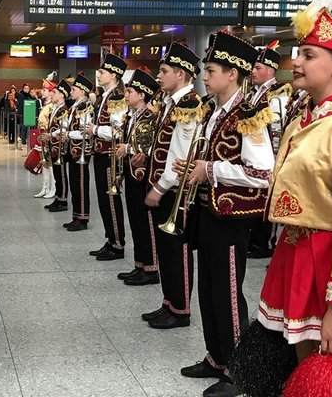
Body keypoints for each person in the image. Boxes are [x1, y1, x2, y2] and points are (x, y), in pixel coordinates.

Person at [258, 0, 332, 367]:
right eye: (298, 53)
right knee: (304, 375)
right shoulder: (303, 119)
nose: (296, 62)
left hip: (330, 263)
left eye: (309, 55)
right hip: (295, 254)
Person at [178, 30, 274, 397]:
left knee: (230, 293)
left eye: (212, 69)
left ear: (233, 73)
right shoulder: (214, 111)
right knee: (208, 288)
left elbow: (263, 173)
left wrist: (211, 170)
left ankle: (239, 370)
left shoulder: (248, 114)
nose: (205, 76)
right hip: (208, 212)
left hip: (231, 217)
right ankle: (216, 357)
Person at [143, 42, 202, 329]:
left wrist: (160, 187)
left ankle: (180, 309)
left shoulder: (188, 105)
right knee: (166, 251)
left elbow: (179, 156)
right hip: (164, 188)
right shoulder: (170, 103)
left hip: (173, 192)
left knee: (176, 250)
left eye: (164, 71)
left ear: (181, 74)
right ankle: (169, 302)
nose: (159, 75)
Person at [114, 69, 161, 286]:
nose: (126, 95)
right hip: (131, 173)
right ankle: (139, 264)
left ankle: (151, 268)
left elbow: (150, 145)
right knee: (134, 220)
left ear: (142, 95)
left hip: (142, 176)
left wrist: (128, 147)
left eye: (130, 91)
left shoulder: (150, 117)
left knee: (145, 222)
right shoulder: (130, 116)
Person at [246, 42, 291, 259]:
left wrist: (275, 159)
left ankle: (264, 243)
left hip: (270, 155)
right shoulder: (254, 93)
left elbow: (277, 128)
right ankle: (254, 240)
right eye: (253, 68)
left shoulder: (277, 93)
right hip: (255, 151)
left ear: (271, 70)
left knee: (267, 199)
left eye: (258, 68)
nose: (253, 72)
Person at [87, 54, 129, 261]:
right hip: (100, 154)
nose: (99, 75)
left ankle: (118, 243)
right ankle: (110, 238)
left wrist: (94, 129)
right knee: (103, 200)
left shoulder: (117, 98)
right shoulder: (104, 96)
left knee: (110, 200)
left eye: (102, 72)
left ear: (113, 75)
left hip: (110, 157)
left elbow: (117, 131)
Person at [63, 73, 94, 231]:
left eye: (74, 89)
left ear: (82, 91)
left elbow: (84, 131)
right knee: (75, 184)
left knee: (81, 184)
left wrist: (68, 134)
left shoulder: (85, 107)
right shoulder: (75, 106)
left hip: (80, 150)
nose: (71, 92)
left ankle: (82, 218)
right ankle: (76, 215)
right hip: (73, 150)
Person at [43, 79, 70, 211]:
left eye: (54, 92)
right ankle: (58, 197)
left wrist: (51, 135)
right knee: (56, 172)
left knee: (61, 174)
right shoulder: (55, 109)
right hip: (53, 146)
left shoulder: (64, 110)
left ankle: (63, 200)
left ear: (62, 95)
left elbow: (64, 128)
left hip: (60, 147)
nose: (51, 94)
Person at [34, 72, 57, 198]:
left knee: (50, 164)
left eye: (45, 90)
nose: (42, 92)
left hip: (49, 136)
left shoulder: (52, 106)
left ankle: (53, 187)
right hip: (42, 135)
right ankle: (45, 187)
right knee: (45, 163)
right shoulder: (45, 105)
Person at [17, 83, 33, 148]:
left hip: (29, 113)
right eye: (25, 88)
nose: (27, 90)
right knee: (23, 127)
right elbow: (21, 105)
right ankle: (23, 140)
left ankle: (26, 139)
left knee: (27, 128)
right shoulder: (21, 95)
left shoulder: (29, 95)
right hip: (23, 113)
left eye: (28, 88)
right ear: (23, 89)